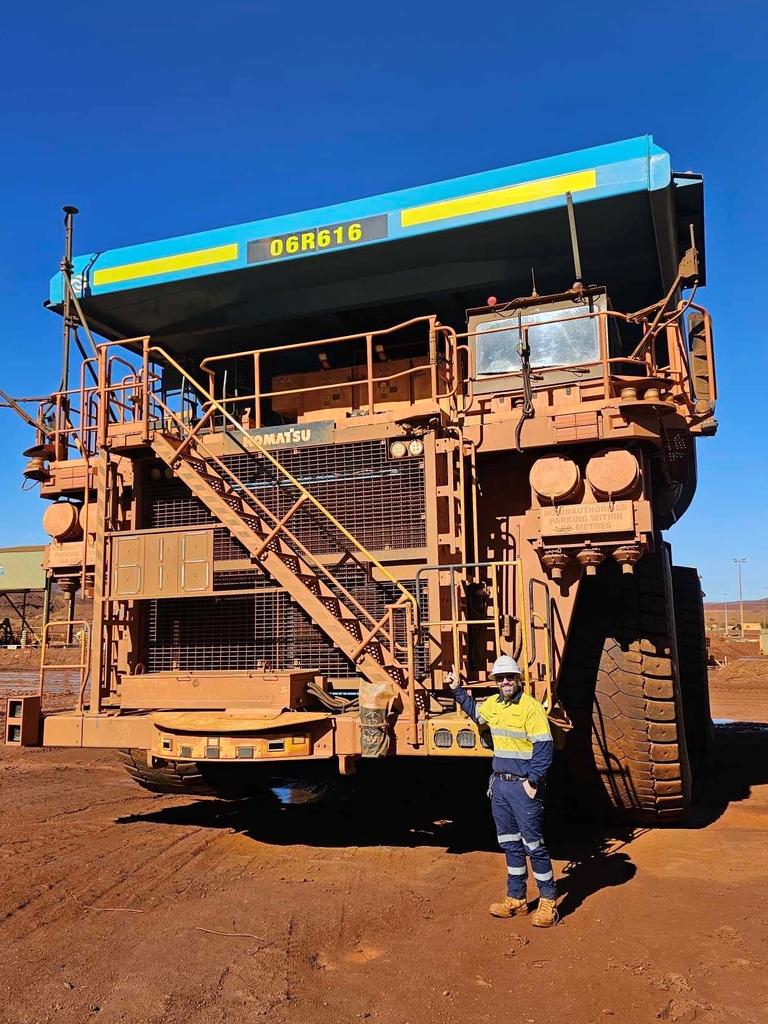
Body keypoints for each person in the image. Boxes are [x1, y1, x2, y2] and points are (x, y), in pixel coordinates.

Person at [447, 655, 558, 927]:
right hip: (500, 785)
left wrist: (533, 782)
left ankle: (548, 902)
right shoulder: (493, 705)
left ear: (518, 679)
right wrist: (456, 689)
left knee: (534, 845)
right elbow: (475, 712)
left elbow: (544, 749)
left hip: (523, 786)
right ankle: (517, 898)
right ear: (496, 682)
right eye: (500, 678)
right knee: (509, 842)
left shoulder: (531, 708)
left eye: (510, 677)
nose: (505, 682)